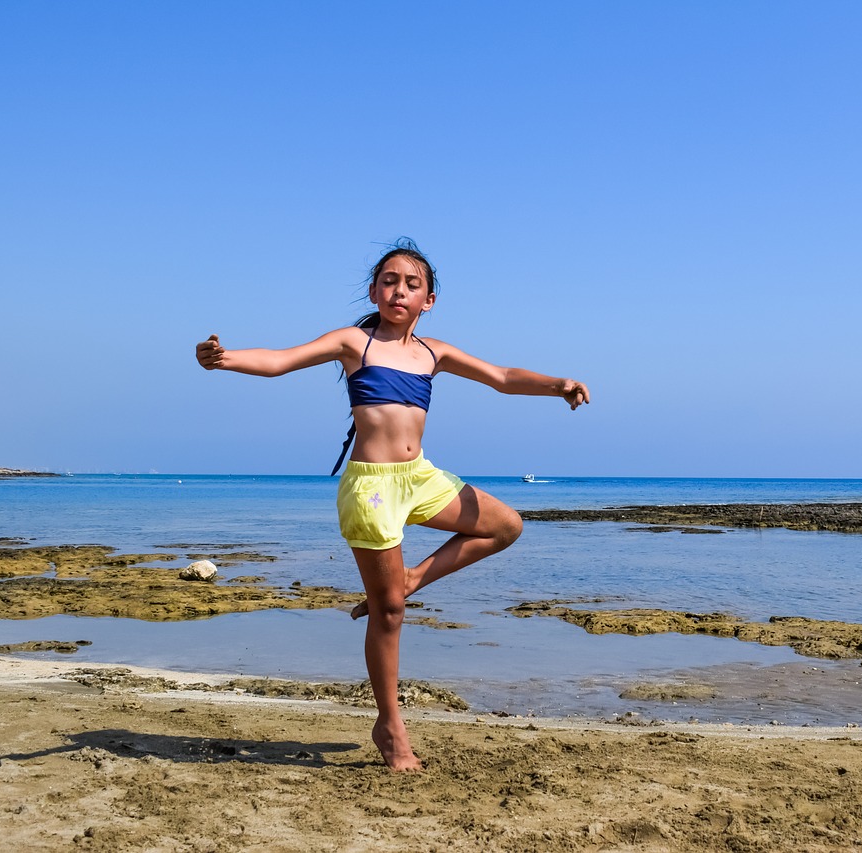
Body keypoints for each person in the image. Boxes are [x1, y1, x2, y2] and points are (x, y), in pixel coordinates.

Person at [195, 240, 589, 771]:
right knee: (388, 614)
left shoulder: (433, 353)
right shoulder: (353, 342)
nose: (398, 289)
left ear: (428, 299)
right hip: (372, 487)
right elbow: (280, 362)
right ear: (374, 290)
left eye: (411, 283)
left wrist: (557, 385)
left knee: (504, 525)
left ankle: (409, 578)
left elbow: (500, 377)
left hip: (420, 476)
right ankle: (391, 726)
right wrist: (224, 360)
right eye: (388, 280)